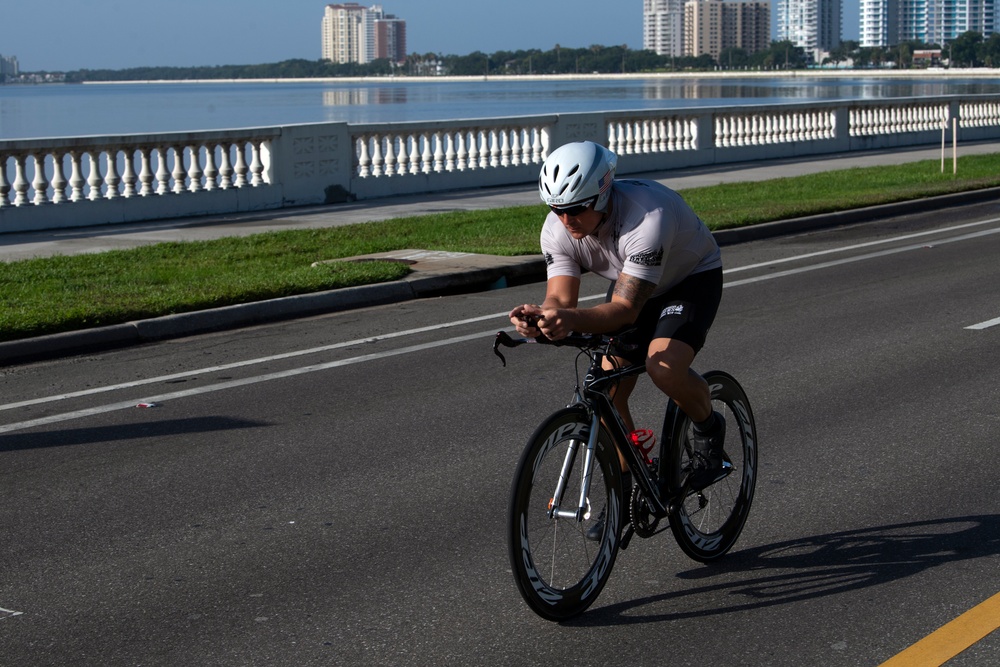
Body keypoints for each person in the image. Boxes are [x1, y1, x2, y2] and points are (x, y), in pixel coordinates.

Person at [508, 140, 727, 513]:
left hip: (690, 279)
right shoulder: (558, 229)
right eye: (556, 209)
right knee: (607, 389)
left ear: (603, 193)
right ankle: (625, 492)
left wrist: (571, 319)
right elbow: (561, 300)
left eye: (576, 209)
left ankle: (708, 428)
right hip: (636, 280)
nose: (566, 219)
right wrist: (540, 320)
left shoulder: (647, 218)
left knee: (664, 366)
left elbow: (625, 309)